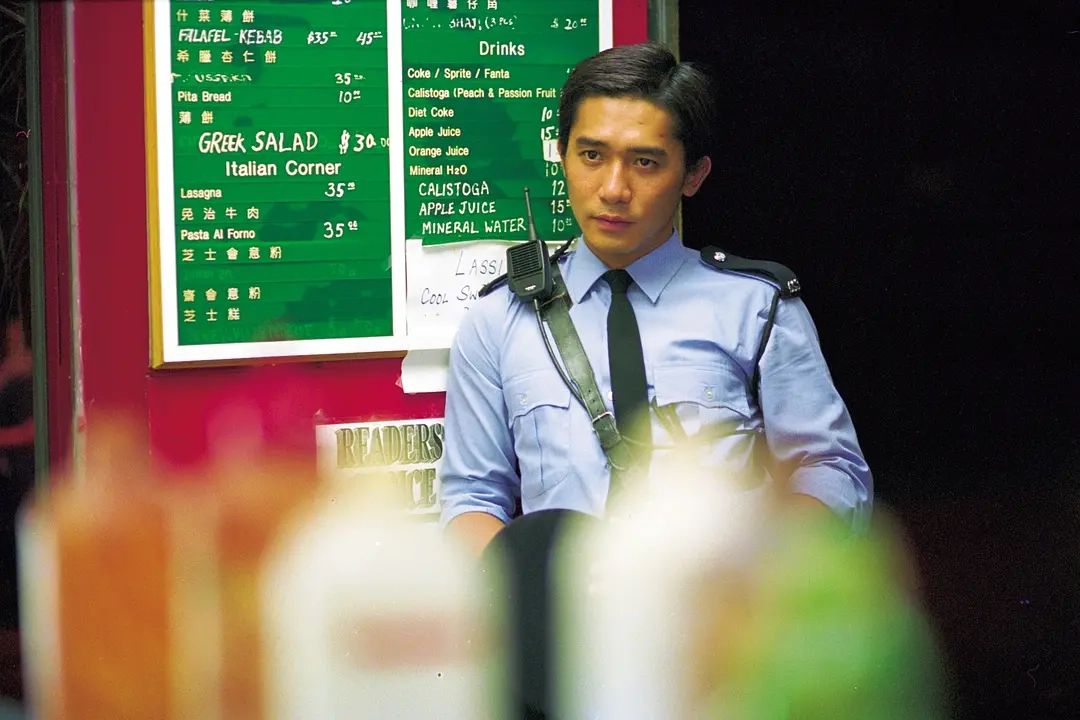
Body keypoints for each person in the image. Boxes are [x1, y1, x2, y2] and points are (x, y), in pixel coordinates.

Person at [439, 42, 872, 555]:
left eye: (645, 162)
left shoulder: (756, 309)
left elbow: (829, 470)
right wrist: (535, 588)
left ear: (693, 175)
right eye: (591, 155)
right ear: (562, 155)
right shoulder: (498, 321)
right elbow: (471, 497)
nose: (613, 189)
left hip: (721, 600)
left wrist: (758, 575)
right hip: (570, 602)